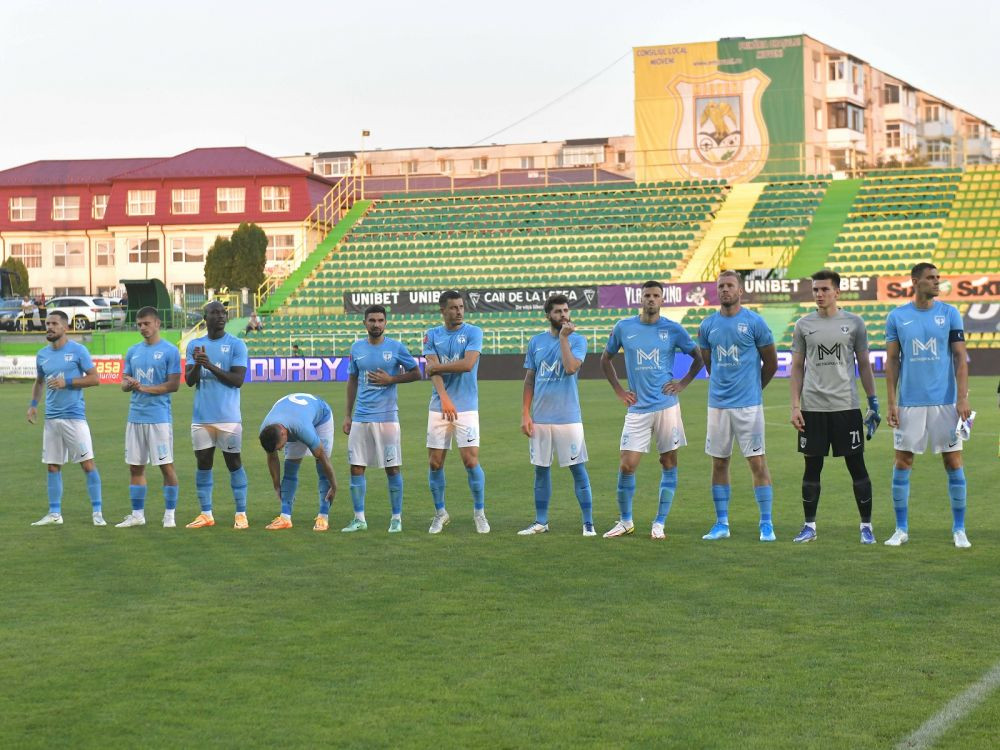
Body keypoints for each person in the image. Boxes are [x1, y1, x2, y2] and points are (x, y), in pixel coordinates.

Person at [600, 281, 704, 539]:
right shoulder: (624, 327)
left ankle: (659, 523)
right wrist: (619, 391)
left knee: (668, 461)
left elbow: (699, 357)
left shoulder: (673, 329)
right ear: (641, 298)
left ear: (662, 300)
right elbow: (605, 359)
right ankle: (625, 521)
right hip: (637, 408)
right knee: (627, 465)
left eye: (656, 295)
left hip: (667, 407)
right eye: (647, 295)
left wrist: (682, 383)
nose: (651, 299)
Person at [789, 269, 881, 544]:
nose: (819, 294)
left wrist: (873, 402)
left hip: (846, 407)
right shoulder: (803, 325)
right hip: (813, 408)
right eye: (815, 289)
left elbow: (864, 364)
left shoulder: (854, 323)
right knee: (811, 468)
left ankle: (866, 527)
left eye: (824, 289)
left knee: (857, 467)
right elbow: (796, 367)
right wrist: (795, 406)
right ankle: (809, 526)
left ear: (837, 292)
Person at [884, 262, 972, 548]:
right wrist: (892, 403)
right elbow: (892, 362)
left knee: (953, 461)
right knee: (902, 461)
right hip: (909, 403)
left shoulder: (949, 313)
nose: (937, 283)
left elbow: (960, 358)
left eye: (938, 278)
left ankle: (959, 530)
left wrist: (962, 398)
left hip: (945, 403)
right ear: (915, 281)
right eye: (931, 278)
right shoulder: (897, 317)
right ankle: (901, 529)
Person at [697, 270, 778, 542]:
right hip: (718, 405)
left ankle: (766, 524)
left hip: (748, 406)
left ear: (740, 290)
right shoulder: (708, 326)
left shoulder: (755, 322)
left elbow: (772, 364)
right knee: (719, 462)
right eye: (721, 286)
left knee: (757, 462)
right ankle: (721, 523)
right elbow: (710, 364)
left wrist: (753, 389)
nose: (725, 290)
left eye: (730, 285)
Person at [519, 294, 597, 536]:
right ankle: (541, 522)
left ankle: (588, 523)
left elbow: (571, 367)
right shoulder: (536, 342)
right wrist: (525, 413)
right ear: (548, 316)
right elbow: (530, 379)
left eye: (566, 311)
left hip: (568, 418)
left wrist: (564, 339)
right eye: (558, 312)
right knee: (541, 470)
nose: (563, 315)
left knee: (578, 469)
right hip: (541, 418)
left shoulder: (578, 340)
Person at [342, 305, 421, 533]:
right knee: (356, 467)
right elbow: (352, 381)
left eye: (380, 320)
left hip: (387, 418)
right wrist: (348, 415)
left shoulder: (396, 347)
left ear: (386, 323)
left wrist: (392, 379)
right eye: (372, 320)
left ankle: (396, 518)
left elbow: (417, 373)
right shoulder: (356, 348)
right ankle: (359, 519)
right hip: (361, 417)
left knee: (392, 468)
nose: (376, 324)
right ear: (364, 323)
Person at [27, 311, 106, 526]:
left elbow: (94, 379)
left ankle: (97, 512)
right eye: (47, 323)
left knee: (87, 464)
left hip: (74, 418)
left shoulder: (78, 351)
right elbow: (39, 382)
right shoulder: (42, 354)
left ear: (65, 327)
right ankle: (55, 514)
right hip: (51, 419)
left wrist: (67, 382)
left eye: (54, 324)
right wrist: (33, 405)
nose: (49, 327)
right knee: (53, 466)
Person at [423, 290, 489, 534]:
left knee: (471, 461)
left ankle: (479, 513)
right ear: (443, 311)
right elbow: (434, 375)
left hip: (468, 407)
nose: (459, 311)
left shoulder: (473, 332)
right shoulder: (431, 336)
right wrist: (444, 398)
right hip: (439, 406)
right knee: (435, 462)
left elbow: (468, 364)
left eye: (461, 306)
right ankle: (440, 513)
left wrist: (437, 366)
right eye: (453, 307)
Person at [184, 300, 250, 529]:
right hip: (201, 417)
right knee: (203, 463)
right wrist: (198, 365)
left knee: (234, 463)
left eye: (223, 313)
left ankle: (241, 513)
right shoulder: (195, 345)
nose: (221, 316)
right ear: (205, 317)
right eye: (215, 312)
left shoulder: (236, 344)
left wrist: (209, 365)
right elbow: (189, 381)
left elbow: (237, 380)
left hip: (229, 417)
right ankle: (206, 514)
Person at [116, 307, 182, 528]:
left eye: (146, 323)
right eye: (139, 324)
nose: (142, 327)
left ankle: (169, 515)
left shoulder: (170, 351)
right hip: (135, 417)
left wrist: (143, 387)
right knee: (135, 467)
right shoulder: (133, 351)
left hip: (159, 419)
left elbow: (173, 385)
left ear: (157, 324)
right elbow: (124, 384)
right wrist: (130, 384)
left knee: (166, 466)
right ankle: (137, 515)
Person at [258, 392, 338, 530]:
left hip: (321, 418)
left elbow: (322, 456)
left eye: (280, 446)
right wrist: (276, 485)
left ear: (283, 433)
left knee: (321, 467)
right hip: (294, 416)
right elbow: (272, 457)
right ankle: (285, 517)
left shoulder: (302, 428)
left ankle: (323, 517)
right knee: (290, 468)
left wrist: (334, 485)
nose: (281, 450)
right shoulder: (266, 432)